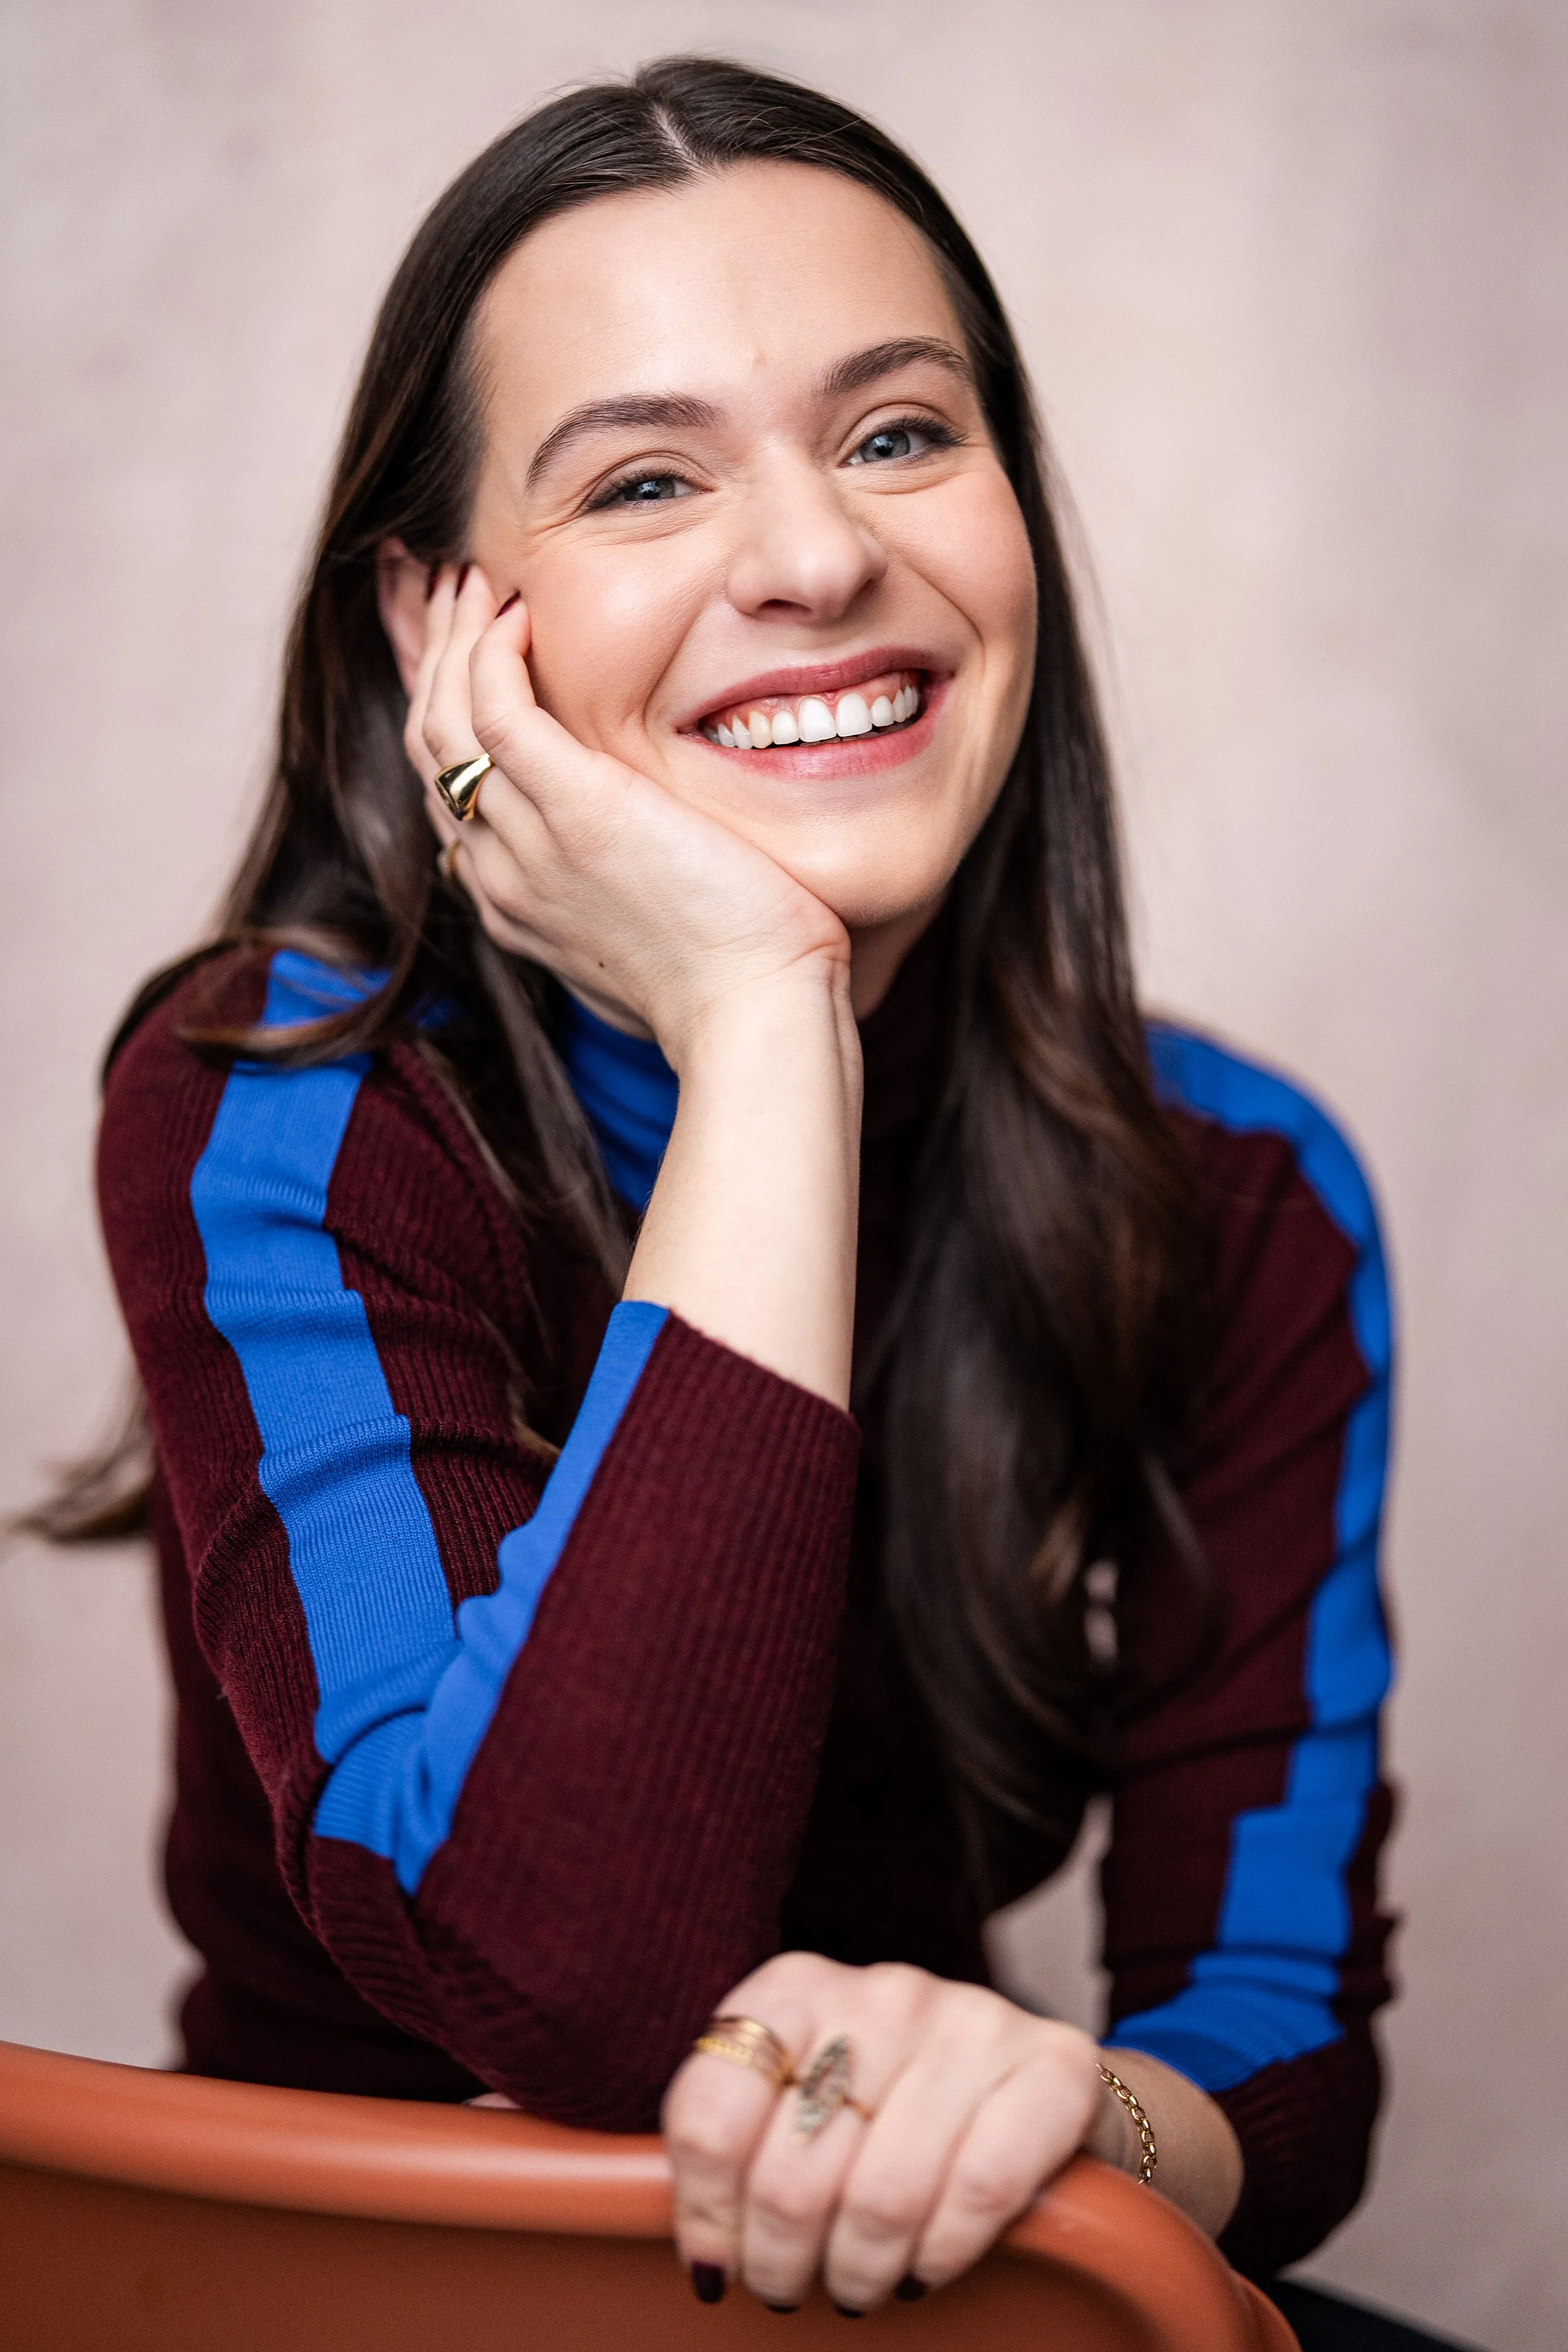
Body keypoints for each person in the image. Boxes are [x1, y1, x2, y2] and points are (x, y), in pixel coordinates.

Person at [77, 56, 1396, 2320]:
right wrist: (766, 1025)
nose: (811, 556)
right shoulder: (273, 1098)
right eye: (645, 479)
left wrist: (1064, 2115)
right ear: (436, 625)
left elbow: (1275, 2035)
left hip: (921, 2285)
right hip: (370, 2288)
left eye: (899, 434)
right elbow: (557, 1972)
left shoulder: (1244, 1190)